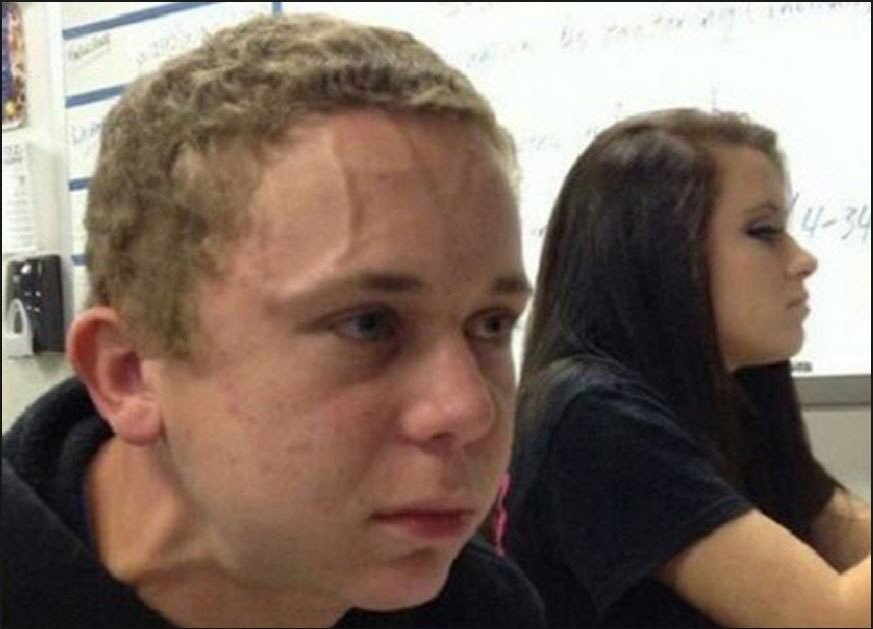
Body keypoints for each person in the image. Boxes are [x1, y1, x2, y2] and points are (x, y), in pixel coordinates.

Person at [1, 14, 545, 628]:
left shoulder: (477, 608)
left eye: (493, 324)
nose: (470, 409)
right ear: (129, 373)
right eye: (369, 324)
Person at [503, 108, 871, 628]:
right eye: (764, 231)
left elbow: (847, 540)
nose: (803, 258)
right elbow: (830, 618)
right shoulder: (590, 414)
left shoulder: (736, 393)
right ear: (661, 251)